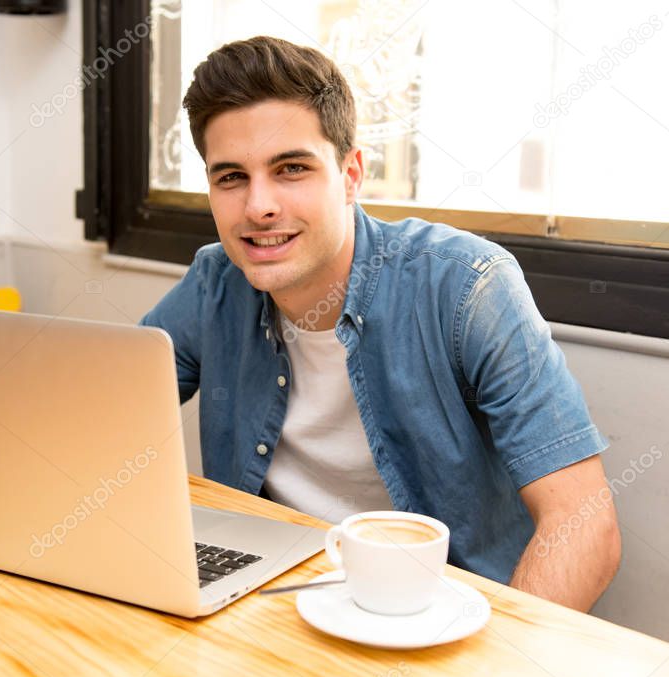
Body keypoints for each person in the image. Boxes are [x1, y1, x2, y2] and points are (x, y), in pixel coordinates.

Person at [141, 36, 620, 612]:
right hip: (272, 601)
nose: (258, 206)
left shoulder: (467, 285)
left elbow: (585, 525)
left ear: (350, 174)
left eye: (291, 168)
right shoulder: (214, 282)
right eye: (231, 177)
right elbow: (94, 421)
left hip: (443, 614)